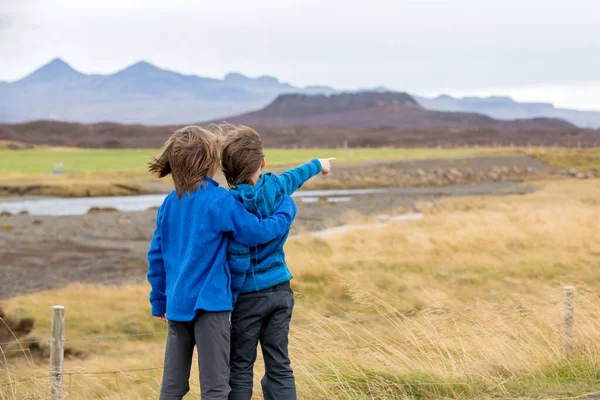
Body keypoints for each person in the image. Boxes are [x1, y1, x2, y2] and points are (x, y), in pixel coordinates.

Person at [146, 125, 298, 400]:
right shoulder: (220, 201)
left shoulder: (169, 203)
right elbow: (256, 232)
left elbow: (156, 256)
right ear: (210, 161)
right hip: (211, 308)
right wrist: (287, 209)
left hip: (177, 306)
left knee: (172, 386)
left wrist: (159, 301)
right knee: (215, 387)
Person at [219, 125, 334, 400]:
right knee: (280, 364)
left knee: (240, 368)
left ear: (226, 171)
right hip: (280, 290)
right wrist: (320, 164)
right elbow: (297, 175)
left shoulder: (228, 204)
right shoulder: (278, 189)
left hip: (246, 297)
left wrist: (231, 298)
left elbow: (233, 254)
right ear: (262, 162)